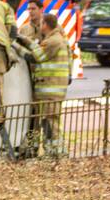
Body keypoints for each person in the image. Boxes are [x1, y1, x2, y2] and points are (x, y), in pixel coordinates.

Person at [17, 13, 71, 156]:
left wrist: (16, 47)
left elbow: (35, 57)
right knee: (48, 121)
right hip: (52, 89)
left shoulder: (53, 41)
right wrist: (25, 40)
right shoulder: (55, 39)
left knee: (51, 122)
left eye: (41, 23)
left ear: (45, 24)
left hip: (50, 90)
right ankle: (51, 151)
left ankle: (57, 152)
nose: (40, 25)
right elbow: (39, 48)